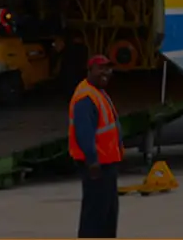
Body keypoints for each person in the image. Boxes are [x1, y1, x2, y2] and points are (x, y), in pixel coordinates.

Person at [70, 55, 122, 238]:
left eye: (108, 68)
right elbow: (84, 133)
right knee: (95, 216)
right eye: (100, 68)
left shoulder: (98, 93)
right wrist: (92, 161)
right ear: (89, 71)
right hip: (97, 166)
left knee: (107, 214)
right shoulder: (86, 97)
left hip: (107, 163)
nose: (106, 72)